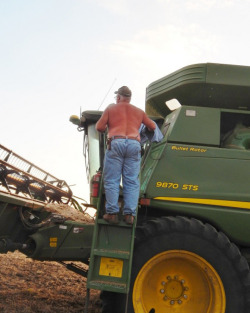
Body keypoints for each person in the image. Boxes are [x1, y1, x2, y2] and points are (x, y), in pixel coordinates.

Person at [96, 86, 156, 225]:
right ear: (129, 98)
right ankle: (130, 215)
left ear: (118, 97)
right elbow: (152, 126)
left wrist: (109, 126)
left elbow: (99, 127)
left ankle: (112, 213)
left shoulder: (111, 108)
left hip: (116, 142)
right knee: (132, 182)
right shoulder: (139, 112)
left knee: (112, 180)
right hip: (134, 144)